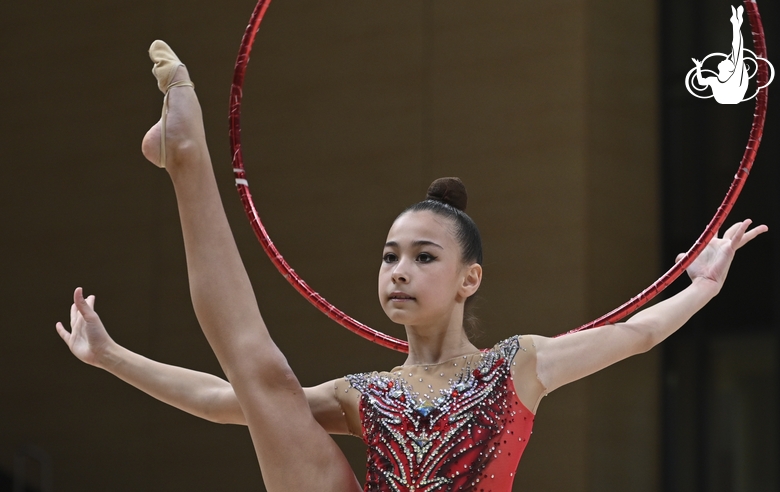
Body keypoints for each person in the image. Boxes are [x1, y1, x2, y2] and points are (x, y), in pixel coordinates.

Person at [56, 41, 767, 491]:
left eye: (423, 257)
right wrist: (113, 356)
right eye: (390, 255)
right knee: (265, 381)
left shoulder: (519, 365)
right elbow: (224, 402)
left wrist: (700, 287)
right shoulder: (363, 394)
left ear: (469, 280)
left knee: (267, 383)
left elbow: (638, 335)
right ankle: (187, 156)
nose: (398, 269)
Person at [692, 5, 750, 104]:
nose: (725, 59)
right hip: (731, 95)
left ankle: (736, 24)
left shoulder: (720, 80)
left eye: (727, 61)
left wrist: (698, 67)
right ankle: (736, 24)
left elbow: (701, 81)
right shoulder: (722, 79)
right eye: (728, 61)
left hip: (731, 95)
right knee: (737, 51)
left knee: (737, 51)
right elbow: (701, 82)